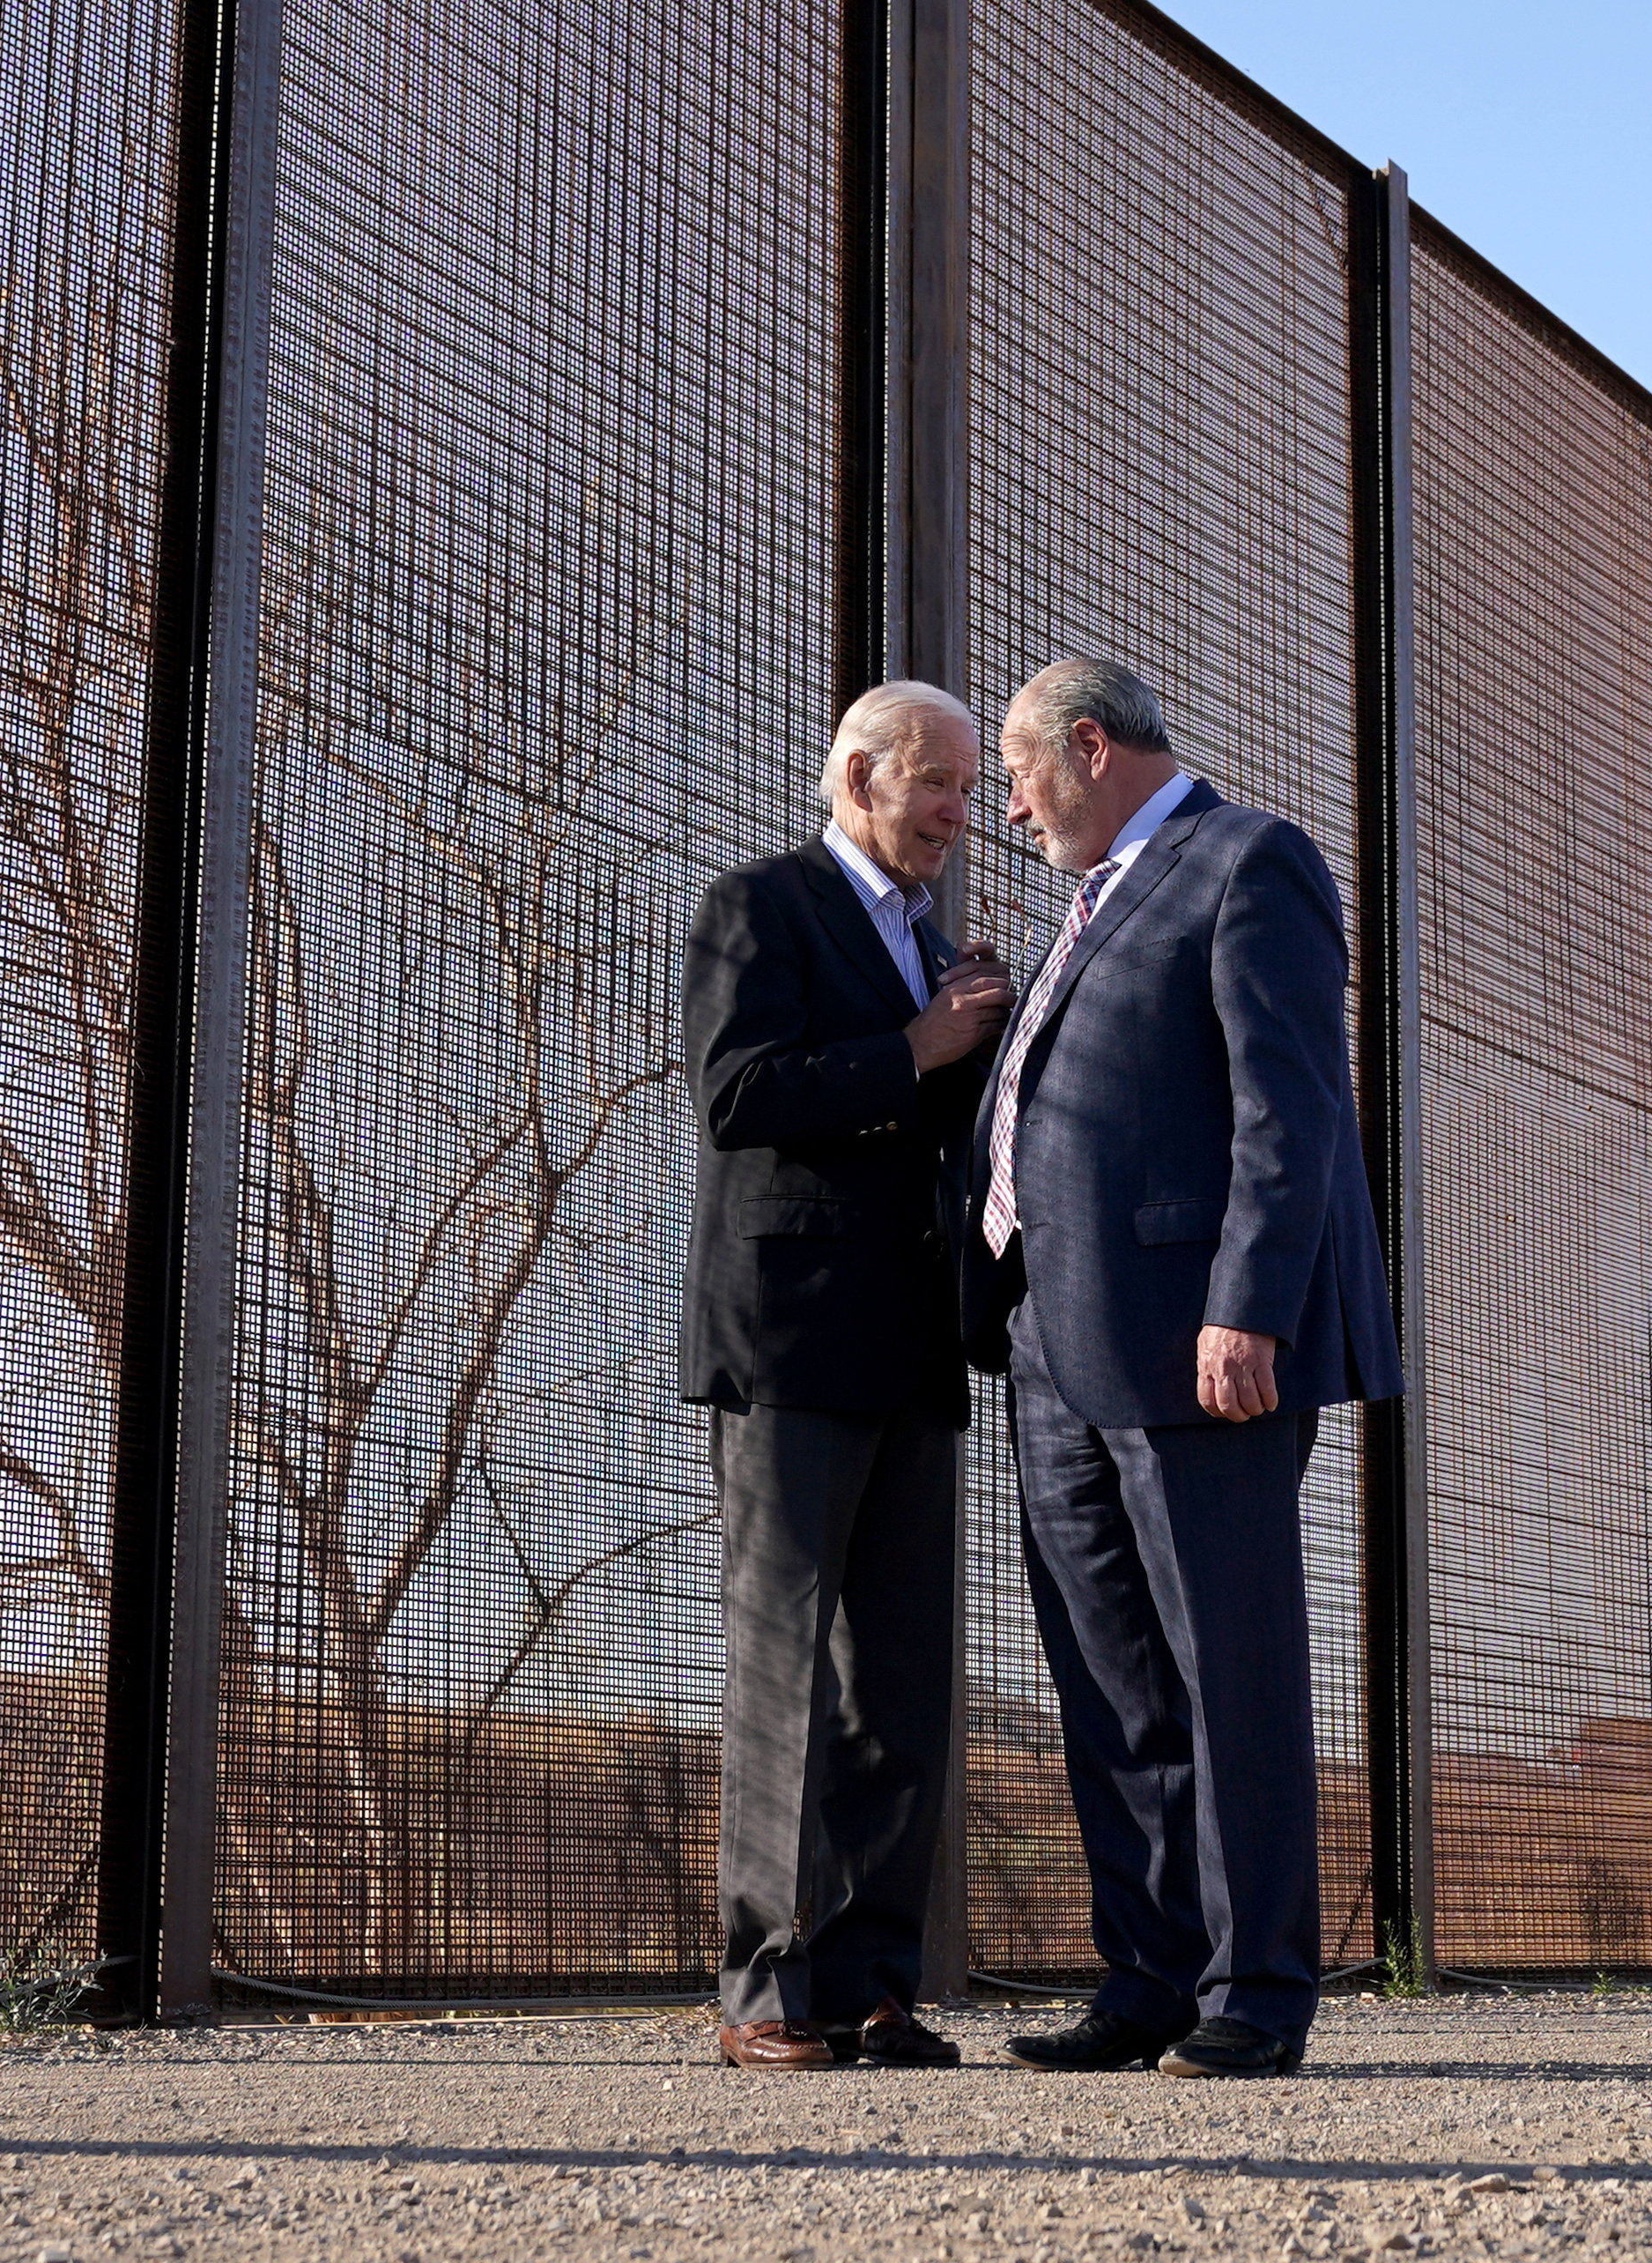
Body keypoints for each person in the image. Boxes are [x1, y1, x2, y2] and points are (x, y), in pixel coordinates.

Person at [964, 657, 1403, 2080]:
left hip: (1198, 1344)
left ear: (1089, 747)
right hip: (1053, 1338)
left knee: (1232, 1669)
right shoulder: (1085, 907)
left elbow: (1291, 1104)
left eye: (1021, 777)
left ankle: (1256, 1991)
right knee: (1110, 1684)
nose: (1012, 810)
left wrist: (1249, 1309)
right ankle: (1146, 1979)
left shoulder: (1246, 859)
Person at [681, 679, 1012, 2071]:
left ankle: (873, 1978)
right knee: (785, 1672)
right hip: (793, 1340)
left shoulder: (927, 943)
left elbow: (926, 1130)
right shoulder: (758, 904)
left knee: (897, 1685)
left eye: (960, 787)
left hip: (913, 1344)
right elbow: (737, 1094)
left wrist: (964, 1036)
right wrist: (918, 1048)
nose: (956, 812)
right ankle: (767, 1989)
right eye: (934, 781)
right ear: (859, 778)